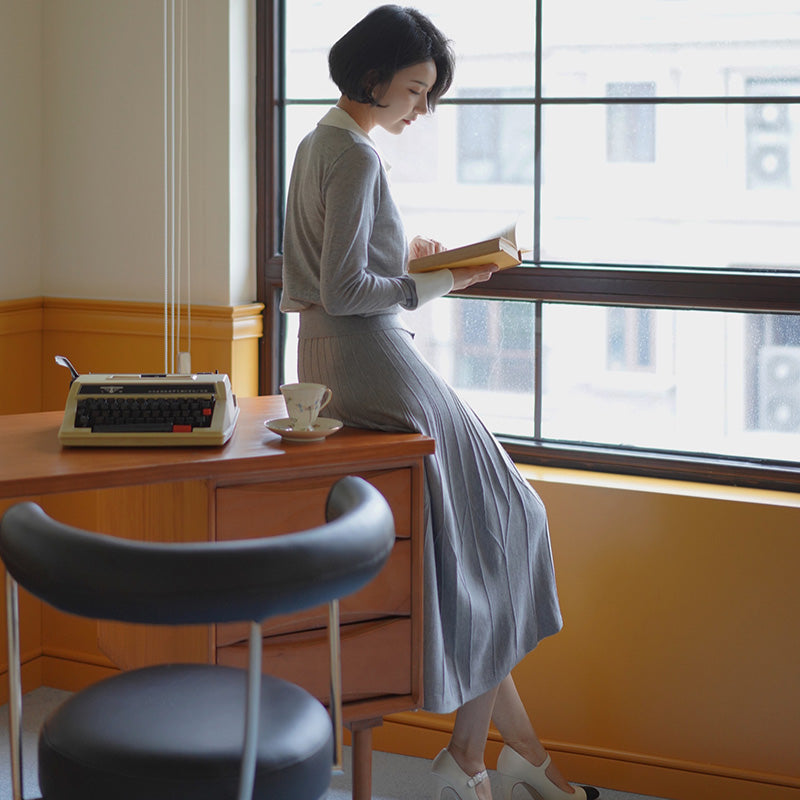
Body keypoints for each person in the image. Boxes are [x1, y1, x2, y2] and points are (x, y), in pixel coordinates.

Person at [280, 6, 599, 800]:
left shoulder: (317, 141)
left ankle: (512, 754)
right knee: (516, 522)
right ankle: (467, 760)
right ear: (372, 78)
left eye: (429, 94)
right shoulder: (355, 157)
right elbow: (346, 290)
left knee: (487, 553)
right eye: (416, 90)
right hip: (371, 357)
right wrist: (447, 277)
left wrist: (410, 251)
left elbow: (316, 276)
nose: (421, 109)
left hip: (332, 358)